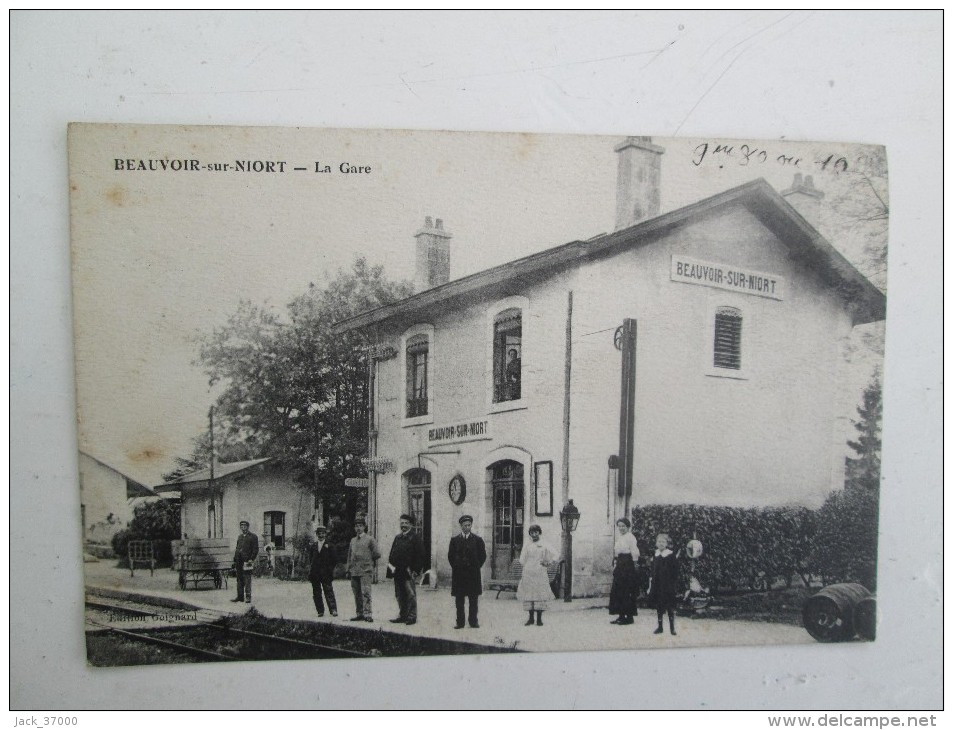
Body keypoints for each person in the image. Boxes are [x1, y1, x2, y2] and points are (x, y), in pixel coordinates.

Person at [447, 514, 487, 629]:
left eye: (469, 525)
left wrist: (476, 567)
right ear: (461, 526)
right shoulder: (454, 540)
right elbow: (450, 556)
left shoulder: (478, 540)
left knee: (473, 599)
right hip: (459, 575)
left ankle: (473, 621)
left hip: (473, 575)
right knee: (459, 600)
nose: (467, 527)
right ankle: (460, 622)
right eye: (465, 525)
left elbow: (483, 556)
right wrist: (456, 566)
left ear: (471, 525)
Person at [387, 514, 424, 625]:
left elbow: (421, 555)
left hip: (408, 571)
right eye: (402, 523)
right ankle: (402, 615)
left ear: (411, 525)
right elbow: (392, 554)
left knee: (410, 594)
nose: (403, 525)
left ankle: (412, 616)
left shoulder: (415, 538)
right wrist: (390, 569)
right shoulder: (397, 538)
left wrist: (416, 570)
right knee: (399, 594)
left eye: (406, 523)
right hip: (398, 571)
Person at [517, 524, 556, 626]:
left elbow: (554, 554)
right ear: (530, 534)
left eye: (536, 532)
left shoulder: (544, 544)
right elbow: (522, 559)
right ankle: (530, 618)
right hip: (529, 573)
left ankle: (539, 619)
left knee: (539, 594)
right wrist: (527, 566)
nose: (534, 534)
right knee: (529, 594)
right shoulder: (527, 545)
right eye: (532, 533)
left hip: (540, 572)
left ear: (539, 532)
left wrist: (548, 562)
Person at [346, 517, 381, 622]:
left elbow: (377, 554)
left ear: (364, 527)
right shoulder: (352, 540)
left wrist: (369, 563)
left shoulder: (370, 539)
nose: (358, 528)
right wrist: (348, 569)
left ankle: (368, 614)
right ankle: (359, 613)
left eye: (360, 526)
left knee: (366, 592)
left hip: (365, 570)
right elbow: (349, 556)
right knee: (356, 593)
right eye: (356, 526)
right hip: (354, 571)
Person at [608, 517, 640, 625]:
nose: (621, 528)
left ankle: (629, 617)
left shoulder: (631, 537)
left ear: (628, 527)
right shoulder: (620, 537)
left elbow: (634, 552)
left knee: (627, 590)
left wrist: (634, 565)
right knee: (618, 590)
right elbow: (617, 553)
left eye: (623, 526)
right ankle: (621, 615)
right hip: (620, 564)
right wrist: (616, 563)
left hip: (628, 565)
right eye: (619, 526)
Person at [648, 532, 680, 636]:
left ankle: (672, 628)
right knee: (659, 606)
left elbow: (675, 571)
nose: (661, 543)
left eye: (663, 542)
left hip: (667, 585)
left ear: (667, 543)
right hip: (657, 584)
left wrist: (672, 583)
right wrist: (651, 583)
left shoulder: (670, 555)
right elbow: (653, 570)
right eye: (659, 541)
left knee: (670, 606)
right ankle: (660, 627)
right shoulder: (656, 554)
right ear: (656, 543)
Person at [308, 524, 338, 618]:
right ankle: (320, 611)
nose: (321, 535)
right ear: (317, 534)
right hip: (315, 573)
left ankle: (333, 609)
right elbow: (310, 559)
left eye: (323, 533)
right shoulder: (313, 546)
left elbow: (334, 560)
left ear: (326, 534)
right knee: (316, 592)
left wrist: (329, 570)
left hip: (326, 573)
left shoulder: (330, 545)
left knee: (328, 591)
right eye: (319, 533)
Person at [231, 519, 259, 604]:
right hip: (239, 561)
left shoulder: (253, 536)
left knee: (247, 578)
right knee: (239, 579)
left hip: (247, 561)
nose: (243, 527)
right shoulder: (240, 537)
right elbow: (237, 548)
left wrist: (251, 558)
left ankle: (248, 597)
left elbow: (255, 549)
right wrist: (235, 559)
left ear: (248, 527)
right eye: (241, 526)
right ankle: (240, 597)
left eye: (245, 526)